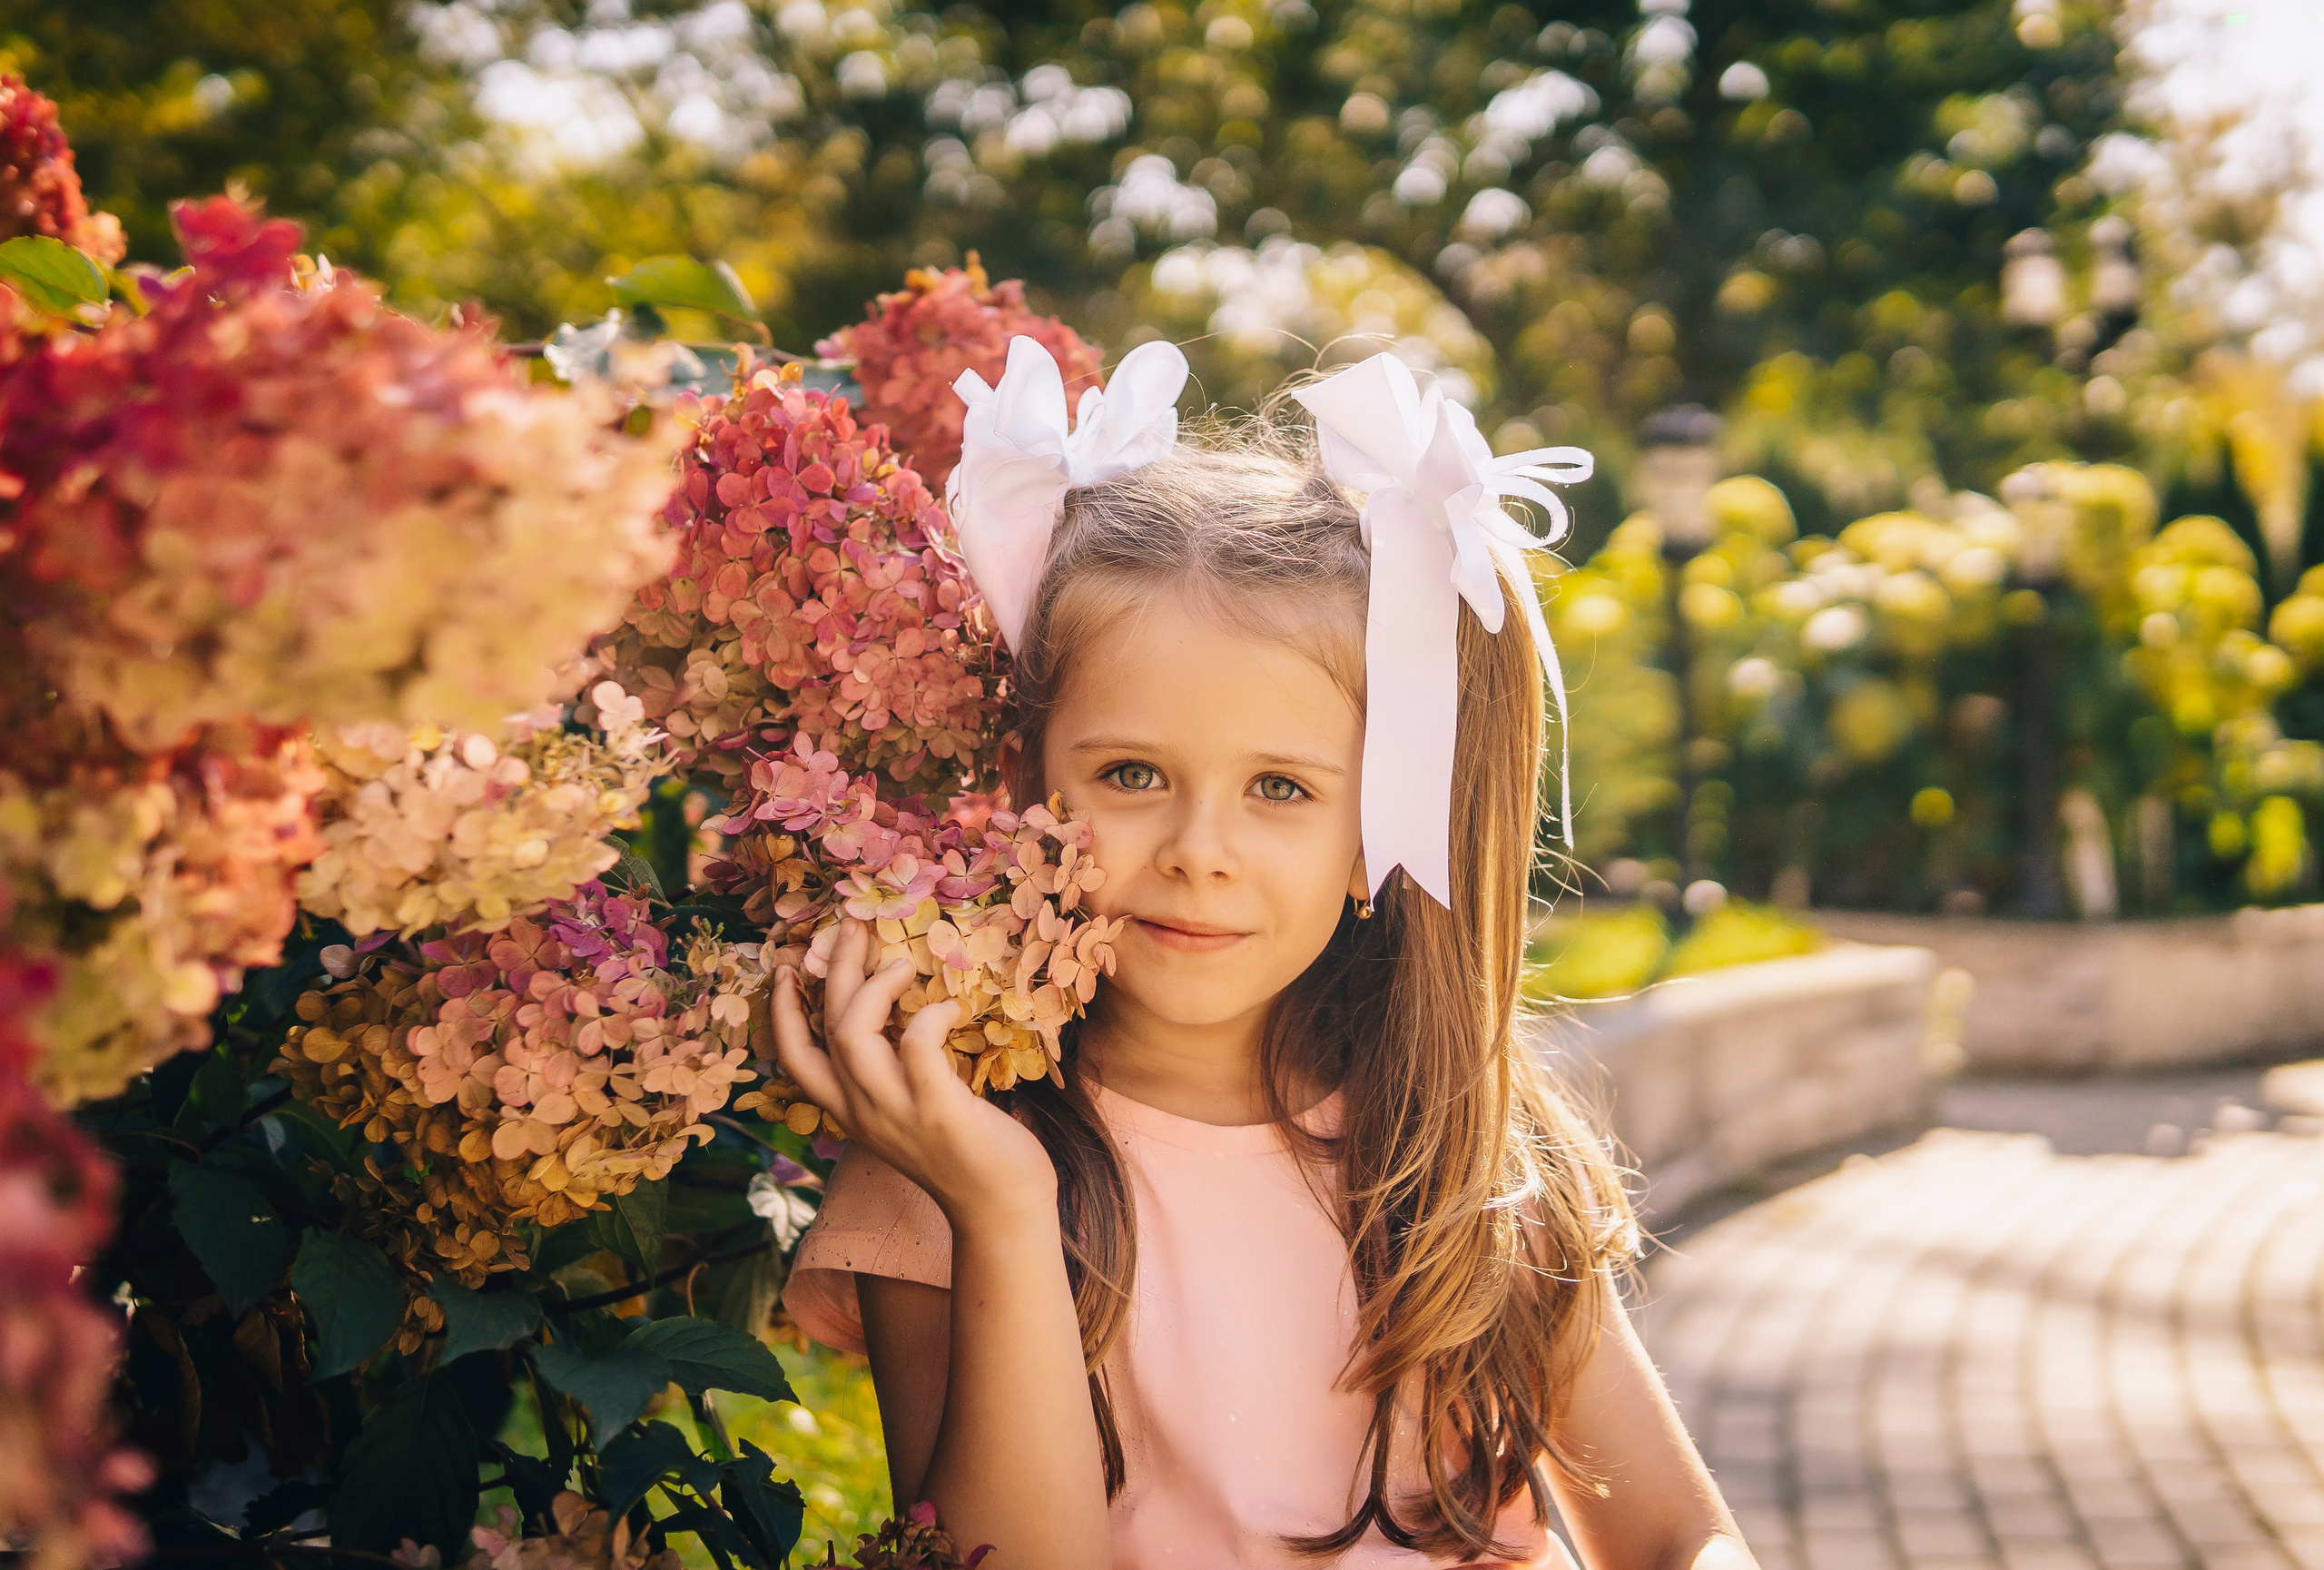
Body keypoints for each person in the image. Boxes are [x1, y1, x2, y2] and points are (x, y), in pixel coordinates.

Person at [775, 336, 1755, 1570]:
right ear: (1028, 786)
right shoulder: (944, 1166)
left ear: (1376, 835)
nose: (1200, 849)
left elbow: (1678, 1535)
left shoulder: (1460, 1149)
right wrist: (1005, 1210)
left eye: (1281, 788)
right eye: (1131, 773)